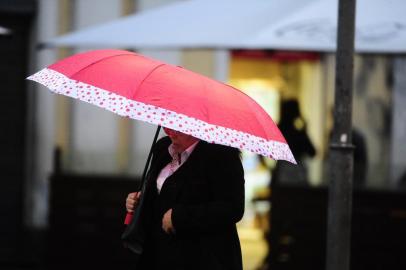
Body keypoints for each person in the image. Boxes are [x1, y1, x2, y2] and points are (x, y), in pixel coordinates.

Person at [125, 127, 245, 270]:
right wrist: (139, 200)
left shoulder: (223, 153)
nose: (170, 133)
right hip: (159, 254)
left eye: (177, 129)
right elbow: (159, 192)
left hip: (202, 257)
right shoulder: (162, 147)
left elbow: (232, 208)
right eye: (167, 127)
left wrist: (180, 216)